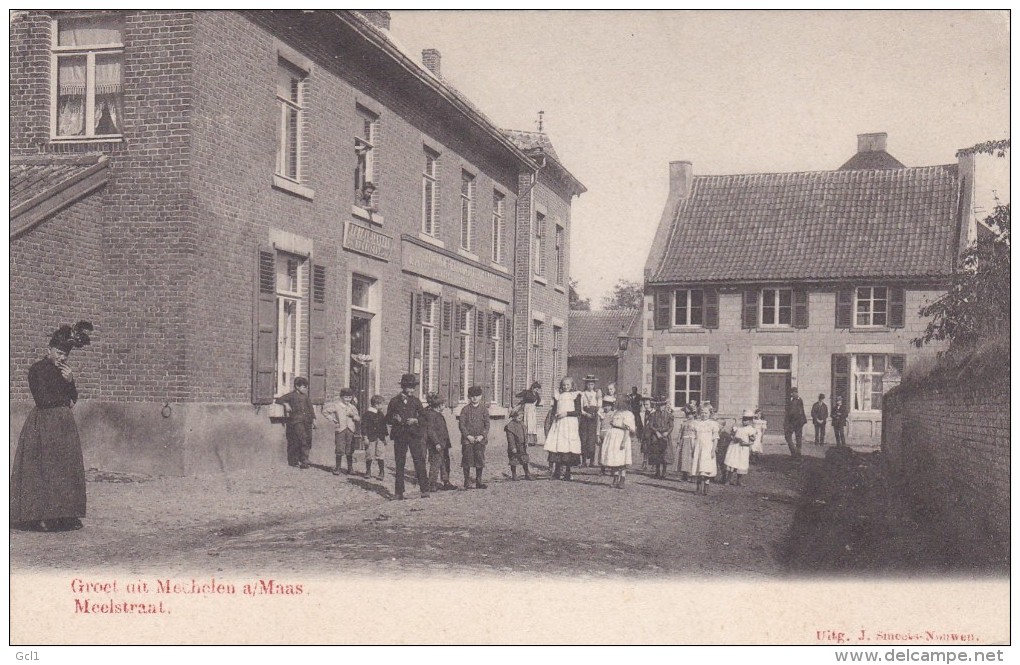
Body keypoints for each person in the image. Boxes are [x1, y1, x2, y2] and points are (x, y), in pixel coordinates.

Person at [11, 321, 93, 532]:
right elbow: (44, 398)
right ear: (49, 350)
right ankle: (39, 516)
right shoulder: (37, 370)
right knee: (43, 469)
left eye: (65, 354)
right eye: (58, 353)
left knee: (66, 469)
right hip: (44, 424)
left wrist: (71, 381)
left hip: (64, 426)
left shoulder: (65, 372)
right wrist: (65, 394)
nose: (62, 358)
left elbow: (73, 399)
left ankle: (66, 514)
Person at [386, 374, 430, 500]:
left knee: (419, 460)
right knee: (400, 463)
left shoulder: (416, 401)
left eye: (413, 388)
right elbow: (387, 418)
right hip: (400, 435)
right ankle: (399, 492)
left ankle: (425, 489)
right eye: (409, 388)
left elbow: (424, 418)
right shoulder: (394, 401)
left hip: (413, 435)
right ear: (403, 387)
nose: (411, 390)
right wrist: (394, 418)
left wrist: (416, 420)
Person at [544, 377, 582, 480]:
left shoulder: (576, 396)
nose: (566, 387)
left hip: (569, 423)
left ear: (572, 385)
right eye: (564, 385)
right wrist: (554, 416)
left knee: (568, 446)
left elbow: (578, 411)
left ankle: (567, 472)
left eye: (568, 385)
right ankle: (557, 472)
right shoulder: (558, 396)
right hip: (559, 423)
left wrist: (566, 413)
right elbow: (554, 410)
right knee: (557, 445)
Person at [276, 376, 315, 469]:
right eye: (303, 387)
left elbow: (311, 409)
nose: (305, 389)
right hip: (297, 422)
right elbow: (279, 400)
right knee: (301, 439)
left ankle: (305, 458)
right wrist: (286, 404)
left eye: (306, 387)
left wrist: (314, 420)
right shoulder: (291, 395)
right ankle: (301, 460)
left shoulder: (306, 397)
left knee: (308, 439)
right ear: (297, 387)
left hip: (307, 421)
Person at [599, 397, 635, 489]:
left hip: (621, 436)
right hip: (613, 437)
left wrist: (623, 441)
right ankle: (615, 479)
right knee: (614, 458)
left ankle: (622, 479)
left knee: (622, 459)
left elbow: (627, 429)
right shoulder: (616, 412)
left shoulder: (628, 414)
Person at [323, 388, 361, 476]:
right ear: (341, 397)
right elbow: (325, 412)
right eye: (346, 397)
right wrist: (332, 419)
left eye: (349, 397)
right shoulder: (337, 406)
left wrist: (353, 415)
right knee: (339, 448)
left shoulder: (353, 407)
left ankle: (350, 468)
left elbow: (358, 418)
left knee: (350, 449)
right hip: (340, 430)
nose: (348, 399)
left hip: (350, 430)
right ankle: (338, 468)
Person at [458, 386, 490, 490]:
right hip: (468, 440)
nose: (474, 398)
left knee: (479, 459)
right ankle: (467, 481)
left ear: (480, 396)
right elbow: (461, 425)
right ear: (469, 397)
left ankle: (478, 481)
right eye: (472, 396)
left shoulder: (484, 409)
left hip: (480, 440)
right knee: (467, 459)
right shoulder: (465, 409)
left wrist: (482, 435)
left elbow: (487, 424)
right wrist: (468, 436)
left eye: (477, 396)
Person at [423, 392, 456, 491]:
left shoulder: (439, 415)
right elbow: (431, 431)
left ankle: (446, 481)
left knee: (445, 463)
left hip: (444, 443)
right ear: (439, 405)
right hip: (436, 445)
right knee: (435, 463)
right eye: (443, 405)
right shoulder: (431, 415)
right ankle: (431, 484)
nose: (444, 406)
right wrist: (436, 443)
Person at [690, 407, 720, 495]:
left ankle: (706, 488)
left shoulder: (713, 424)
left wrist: (713, 450)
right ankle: (698, 488)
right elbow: (692, 438)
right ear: (699, 413)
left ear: (709, 414)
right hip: (698, 448)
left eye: (706, 413)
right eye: (702, 413)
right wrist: (693, 449)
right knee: (698, 468)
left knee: (706, 468)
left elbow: (715, 439)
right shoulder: (695, 423)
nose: (704, 414)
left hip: (708, 448)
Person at [725, 410, 758, 486]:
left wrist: (746, 443)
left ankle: (739, 480)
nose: (744, 421)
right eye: (744, 419)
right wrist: (734, 438)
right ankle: (728, 479)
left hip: (743, 449)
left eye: (747, 420)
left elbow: (752, 440)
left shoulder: (751, 429)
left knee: (741, 464)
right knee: (732, 462)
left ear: (750, 421)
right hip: (735, 447)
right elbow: (731, 435)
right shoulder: (737, 427)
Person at [361, 395, 388, 480]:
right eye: (381, 404)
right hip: (370, 438)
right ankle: (368, 471)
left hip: (380, 438)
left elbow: (384, 426)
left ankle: (381, 472)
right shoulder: (367, 414)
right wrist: (365, 437)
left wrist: (384, 438)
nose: (382, 406)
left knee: (380, 454)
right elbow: (363, 426)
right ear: (376, 404)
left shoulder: (381, 414)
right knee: (369, 454)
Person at [645, 396, 674, 478]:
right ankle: (657, 471)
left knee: (665, 454)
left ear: (665, 405)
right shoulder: (653, 415)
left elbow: (671, 426)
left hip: (665, 435)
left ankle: (664, 472)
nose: (660, 407)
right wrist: (656, 432)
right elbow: (650, 425)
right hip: (656, 435)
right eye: (659, 405)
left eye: (662, 405)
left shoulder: (669, 415)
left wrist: (667, 432)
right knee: (656, 453)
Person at [578, 375, 602, 468]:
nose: (590, 386)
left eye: (592, 384)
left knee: (592, 439)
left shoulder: (597, 394)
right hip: (585, 418)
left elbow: (599, 406)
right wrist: (585, 414)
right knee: (584, 438)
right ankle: (583, 461)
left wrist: (595, 413)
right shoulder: (583, 394)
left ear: (594, 385)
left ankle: (592, 461)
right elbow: (580, 408)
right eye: (588, 384)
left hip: (593, 417)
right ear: (586, 384)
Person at [505, 407, 533, 481]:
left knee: (524, 459)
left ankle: (527, 473)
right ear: (513, 416)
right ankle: (514, 474)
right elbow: (510, 439)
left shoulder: (522, 425)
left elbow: (525, 434)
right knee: (513, 460)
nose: (520, 417)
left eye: (521, 415)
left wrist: (526, 442)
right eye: (518, 415)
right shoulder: (510, 426)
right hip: (514, 446)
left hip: (522, 446)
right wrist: (513, 447)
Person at [515, 381, 543, 446]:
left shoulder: (536, 394)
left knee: (532, 424)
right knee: (527, 423)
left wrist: (535, 405)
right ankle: (526, 440)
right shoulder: (527, 392)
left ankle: (532, 441)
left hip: (532, 409)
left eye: (537, 389)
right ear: (533, 387)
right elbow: (519, 395)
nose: (536, 390)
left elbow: (539, 400)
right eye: (536, 389)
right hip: (527, 409)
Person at [784, 387, 807, 459]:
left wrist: (787, 421)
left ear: (795, 393)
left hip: (795, 422)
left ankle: (795, 452)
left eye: (792, 393)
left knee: (788, 436)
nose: (791, 394)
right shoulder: (797, 400)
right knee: (798, 437)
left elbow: (792, 412)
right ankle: (797, 453)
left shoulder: (796, 401)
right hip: (798, 422)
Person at [675, 408, 696, 480]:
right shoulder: (684, 423)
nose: (689, 416)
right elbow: (680, 432)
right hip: (684, 441)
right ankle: (684, 474)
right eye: (687, 414)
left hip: (692, 441)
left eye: (691, 414)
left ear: (694, 415)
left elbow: (697, 433)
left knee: (691, 457)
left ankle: (692, 475)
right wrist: (678, 441)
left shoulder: (696, 423)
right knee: (684, 457)